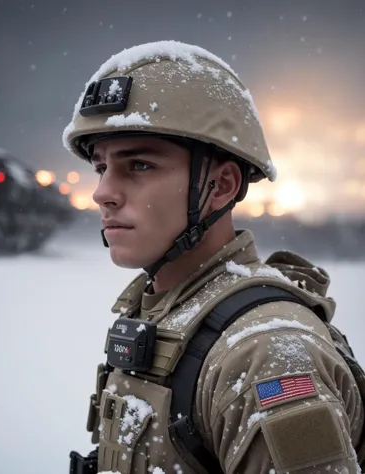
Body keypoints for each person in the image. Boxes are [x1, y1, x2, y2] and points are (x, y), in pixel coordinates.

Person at [63, 41, 365, 474]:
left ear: (221, 186)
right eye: (101, 167)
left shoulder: (264, 352)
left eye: (140, 165)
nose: (103, 192)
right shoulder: (170, 310)